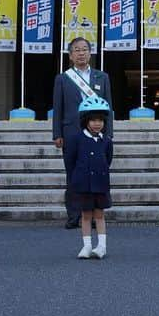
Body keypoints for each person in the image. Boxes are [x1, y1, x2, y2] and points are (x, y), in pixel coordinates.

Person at [52, 37, 113, 229]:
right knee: (73, 174)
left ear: (90, 52)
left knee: (96, 172)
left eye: (85, 49)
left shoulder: (101, 77)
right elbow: (58, 107)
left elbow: (108, 107)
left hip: (97, 133)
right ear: (70, 55)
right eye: (77, 50)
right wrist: (57, 133)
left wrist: (108, 133)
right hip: (71, 132)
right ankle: (74, 215)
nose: (81, 53)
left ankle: (95, 215)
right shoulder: (63, 78)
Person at [64, 95, 113, 259]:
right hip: (84, 184)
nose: (97, 123)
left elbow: (108, 159)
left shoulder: (106, 140)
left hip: (100, 183)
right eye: (93, 120)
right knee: (85, 216)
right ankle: (86, 246)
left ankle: (102, 246)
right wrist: (75, 180)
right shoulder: (76, 139)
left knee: (99, 215)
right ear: (85, 120)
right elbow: (70, 161)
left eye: (100, 120)